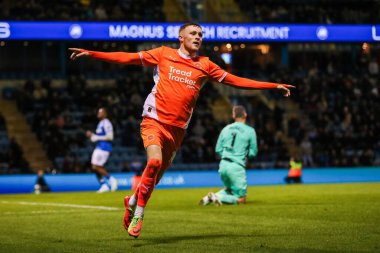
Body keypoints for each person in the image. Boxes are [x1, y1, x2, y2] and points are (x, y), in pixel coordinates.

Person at [69, 22, 294, 238]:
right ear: (181, 37)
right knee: (154, 163)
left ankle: (131, 202)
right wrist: (93, 53)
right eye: (193, 33)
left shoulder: (205, 64)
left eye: (200, 34)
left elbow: (235, 81)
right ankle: (138, 214)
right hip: (154, 120)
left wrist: (272, 85)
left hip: (177, 130)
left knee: (154, 178)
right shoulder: (163, 53)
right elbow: (127, 58)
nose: (198, 37)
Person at [200, 105, 257, 206]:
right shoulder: (250, 131)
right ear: (245, 115)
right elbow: (253, 153)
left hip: (223, 165)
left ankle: (207, 199)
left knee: (230, 189)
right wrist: (242, 156)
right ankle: (217, 197)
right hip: (236, 166)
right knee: (241, 199)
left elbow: (218, 149)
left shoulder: (225, 129)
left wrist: (228, 156)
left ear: (233, 115)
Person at [86, 107, 118, 193]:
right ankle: (103, 185)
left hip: (105, 148)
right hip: (100, 146)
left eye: (101, 112)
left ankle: (111, 179)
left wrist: (96, 137)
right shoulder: (100, 123)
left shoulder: (107, 123)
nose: (99, 113)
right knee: (94, 166)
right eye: (98, 111)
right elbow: (98, 137)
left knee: (96, 166)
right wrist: (92, 136)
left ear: (105, 114)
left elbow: (110, 137)